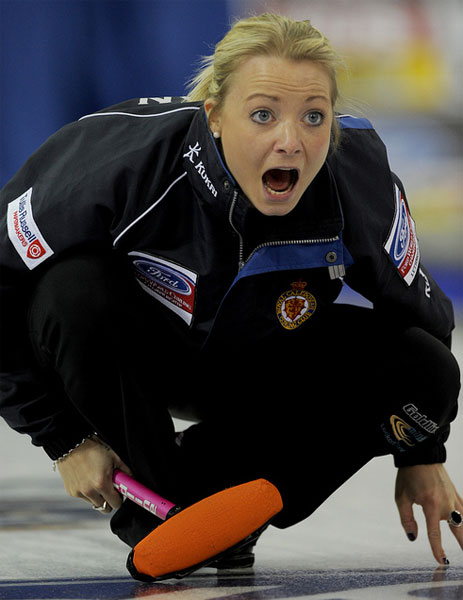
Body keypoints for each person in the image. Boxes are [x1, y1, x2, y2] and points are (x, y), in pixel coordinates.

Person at [0, 12, 461, 577]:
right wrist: (66, 438)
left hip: (262, 364)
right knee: (70, 289)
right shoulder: (114, 160)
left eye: (314, 117)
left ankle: (220, 505)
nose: (290, 141)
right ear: (215, 115)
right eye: (263, 115)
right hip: (143, 362)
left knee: (428, 369)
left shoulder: (357, 177)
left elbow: (424, 321)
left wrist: (420, 450)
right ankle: (160, 500)